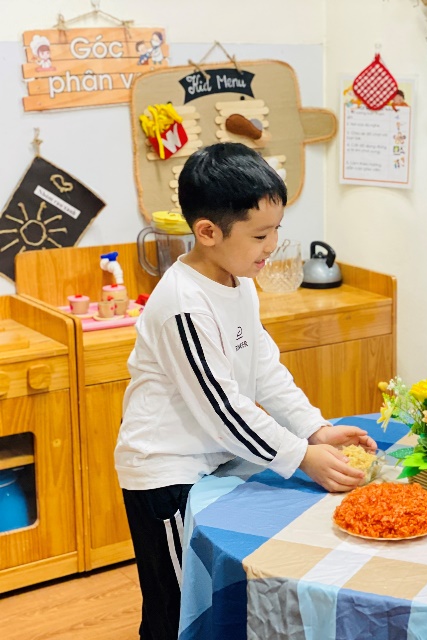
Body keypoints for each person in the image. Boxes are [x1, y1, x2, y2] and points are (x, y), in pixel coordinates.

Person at [115, 142, 375, 640]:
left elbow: (264, 367)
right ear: (207, 232)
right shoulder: (183, 304)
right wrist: (301, 456)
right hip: (165, 474)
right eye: (259, 234)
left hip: (213, 463)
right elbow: (224, 410)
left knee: (219, 602)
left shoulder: (238, 282)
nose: (272, 244)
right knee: (178, 611)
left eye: (277, 229)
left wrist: (314, 429)